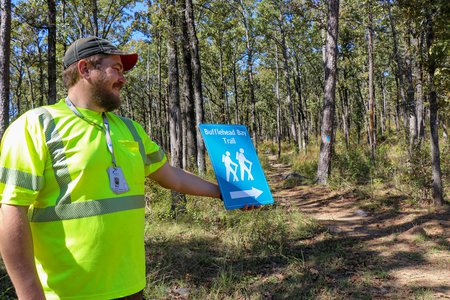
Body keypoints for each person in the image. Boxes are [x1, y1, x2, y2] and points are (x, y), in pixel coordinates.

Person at [0, 36, 222, 300]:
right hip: (68, 293)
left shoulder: (130, 129)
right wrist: (29, 293)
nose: (123, 78)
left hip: (131, 289)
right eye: (115, 68)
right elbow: (12, 210)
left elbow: (172, 177)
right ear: (84, 69)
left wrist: (224, 193)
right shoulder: (36, 126)